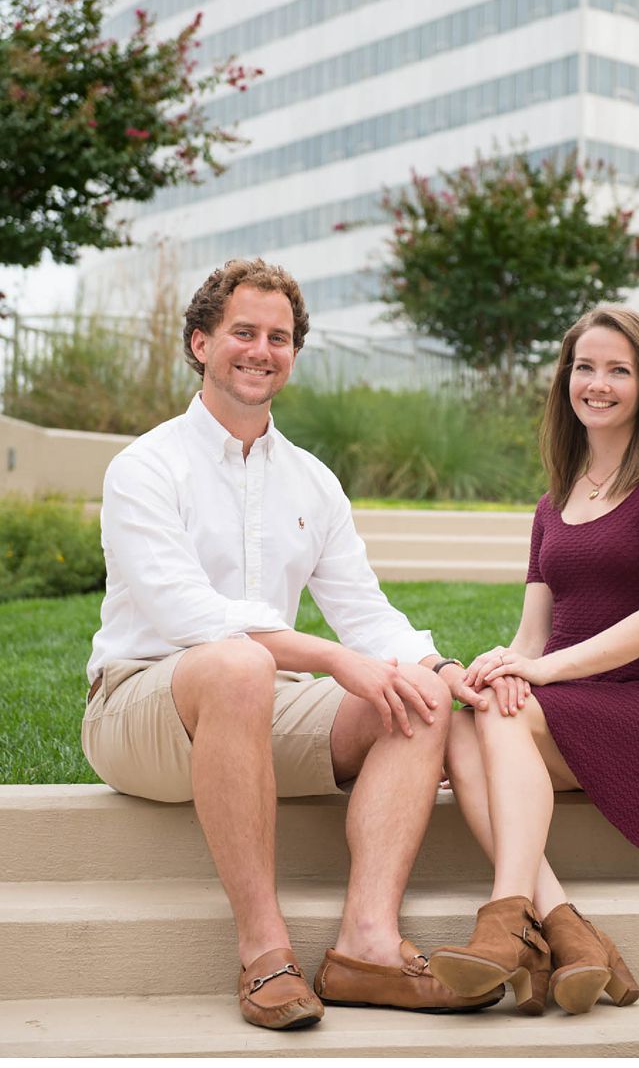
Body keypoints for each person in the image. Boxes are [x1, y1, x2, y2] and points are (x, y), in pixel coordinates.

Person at [83, 257, 501, 1031]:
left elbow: (366, 615)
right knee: (243, 661)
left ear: (294, 356)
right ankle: (264, 949)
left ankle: (365, 946)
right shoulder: (144, 466)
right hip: (139, 705)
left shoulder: (313, 481)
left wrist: (439, 666)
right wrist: (334, 659)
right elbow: (187, 613)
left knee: (416, 694)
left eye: (279, 337)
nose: (261, 349)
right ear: (200, 342)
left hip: (255, 707)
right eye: (243, 331)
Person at [430, 306, 639, 1014]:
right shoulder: (553, 500)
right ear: (565, 380)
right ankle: (566, 931)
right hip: (572, 703)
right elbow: (533, 634)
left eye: (619, 369)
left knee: (499, 714)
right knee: (469, 717)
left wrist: (545, 671)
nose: (599, 383)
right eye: (585, 366)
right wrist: (503, 662)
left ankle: (509, 914)